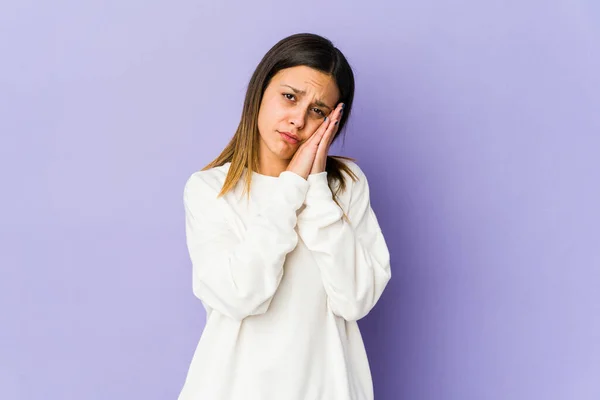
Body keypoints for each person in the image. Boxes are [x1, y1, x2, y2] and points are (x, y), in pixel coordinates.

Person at [178, 32, 392, 400]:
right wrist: (292, 184)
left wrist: (317, 187)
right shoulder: (210, 190)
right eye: (290, 97)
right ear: (260, 90)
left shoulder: (346, 187)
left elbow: (356, 299)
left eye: (318, 111)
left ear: (332, 123)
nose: (298, 120)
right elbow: (241, 295)